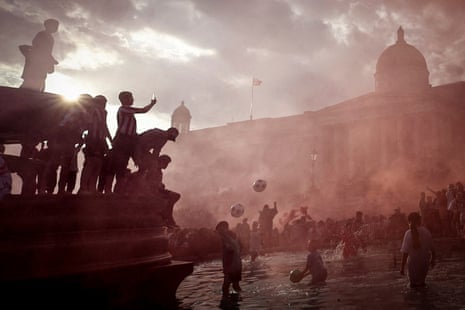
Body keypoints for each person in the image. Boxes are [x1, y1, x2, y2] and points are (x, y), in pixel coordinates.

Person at [109, 91, 156, 193]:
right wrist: (152, 104)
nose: (133, 99)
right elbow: (143, 110)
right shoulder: (124, 109)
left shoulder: (127, 111)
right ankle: (119, 191)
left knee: (137, 162)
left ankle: (134, 187)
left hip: (130, 141)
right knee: (121, 165)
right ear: (126, 99)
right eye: (131, 97)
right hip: (124, 141)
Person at [79, 95, 112, 194]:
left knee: (98, 164)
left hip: (100, 140)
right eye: (103, 102)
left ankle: (91, 188)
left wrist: (109, 139)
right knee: (91, 163)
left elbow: (104, 126)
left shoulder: (104, 112)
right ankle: (84, 188)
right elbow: (88, 124)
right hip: (93, 139)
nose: (104, 104)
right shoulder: (93, 111)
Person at [19, 19, 59, 91]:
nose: (57, 27)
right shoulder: (43, 35)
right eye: (55, 25)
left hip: (40, 66)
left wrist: (52, 60)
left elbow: (46, 51)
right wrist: (50, 60)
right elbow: (40, 49)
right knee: (31, 86)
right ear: (48, 25)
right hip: (36, 65)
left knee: (38, 85)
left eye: (57, 26)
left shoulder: (49, 37)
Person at [400, 212, 435, 288]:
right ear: (420, 220)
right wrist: (432, 260)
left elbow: (405, 253)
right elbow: (432, 249)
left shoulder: (408, 233)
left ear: (409, 221)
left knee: (413, 286)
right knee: (422, 284)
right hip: (424, 263)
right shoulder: (427, 232)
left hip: (413, 264)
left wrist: (402, 267)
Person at [215, 221, 242, 296]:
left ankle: (226, 303)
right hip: (237, 262)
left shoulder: (225, 238)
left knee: (226, 285)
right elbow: (240, 247)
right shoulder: (233, 235)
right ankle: (239, 300)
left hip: (230, 263)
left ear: (224, 228)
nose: (219, 231)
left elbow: (230, 249)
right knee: (235, 285)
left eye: (220, 229)